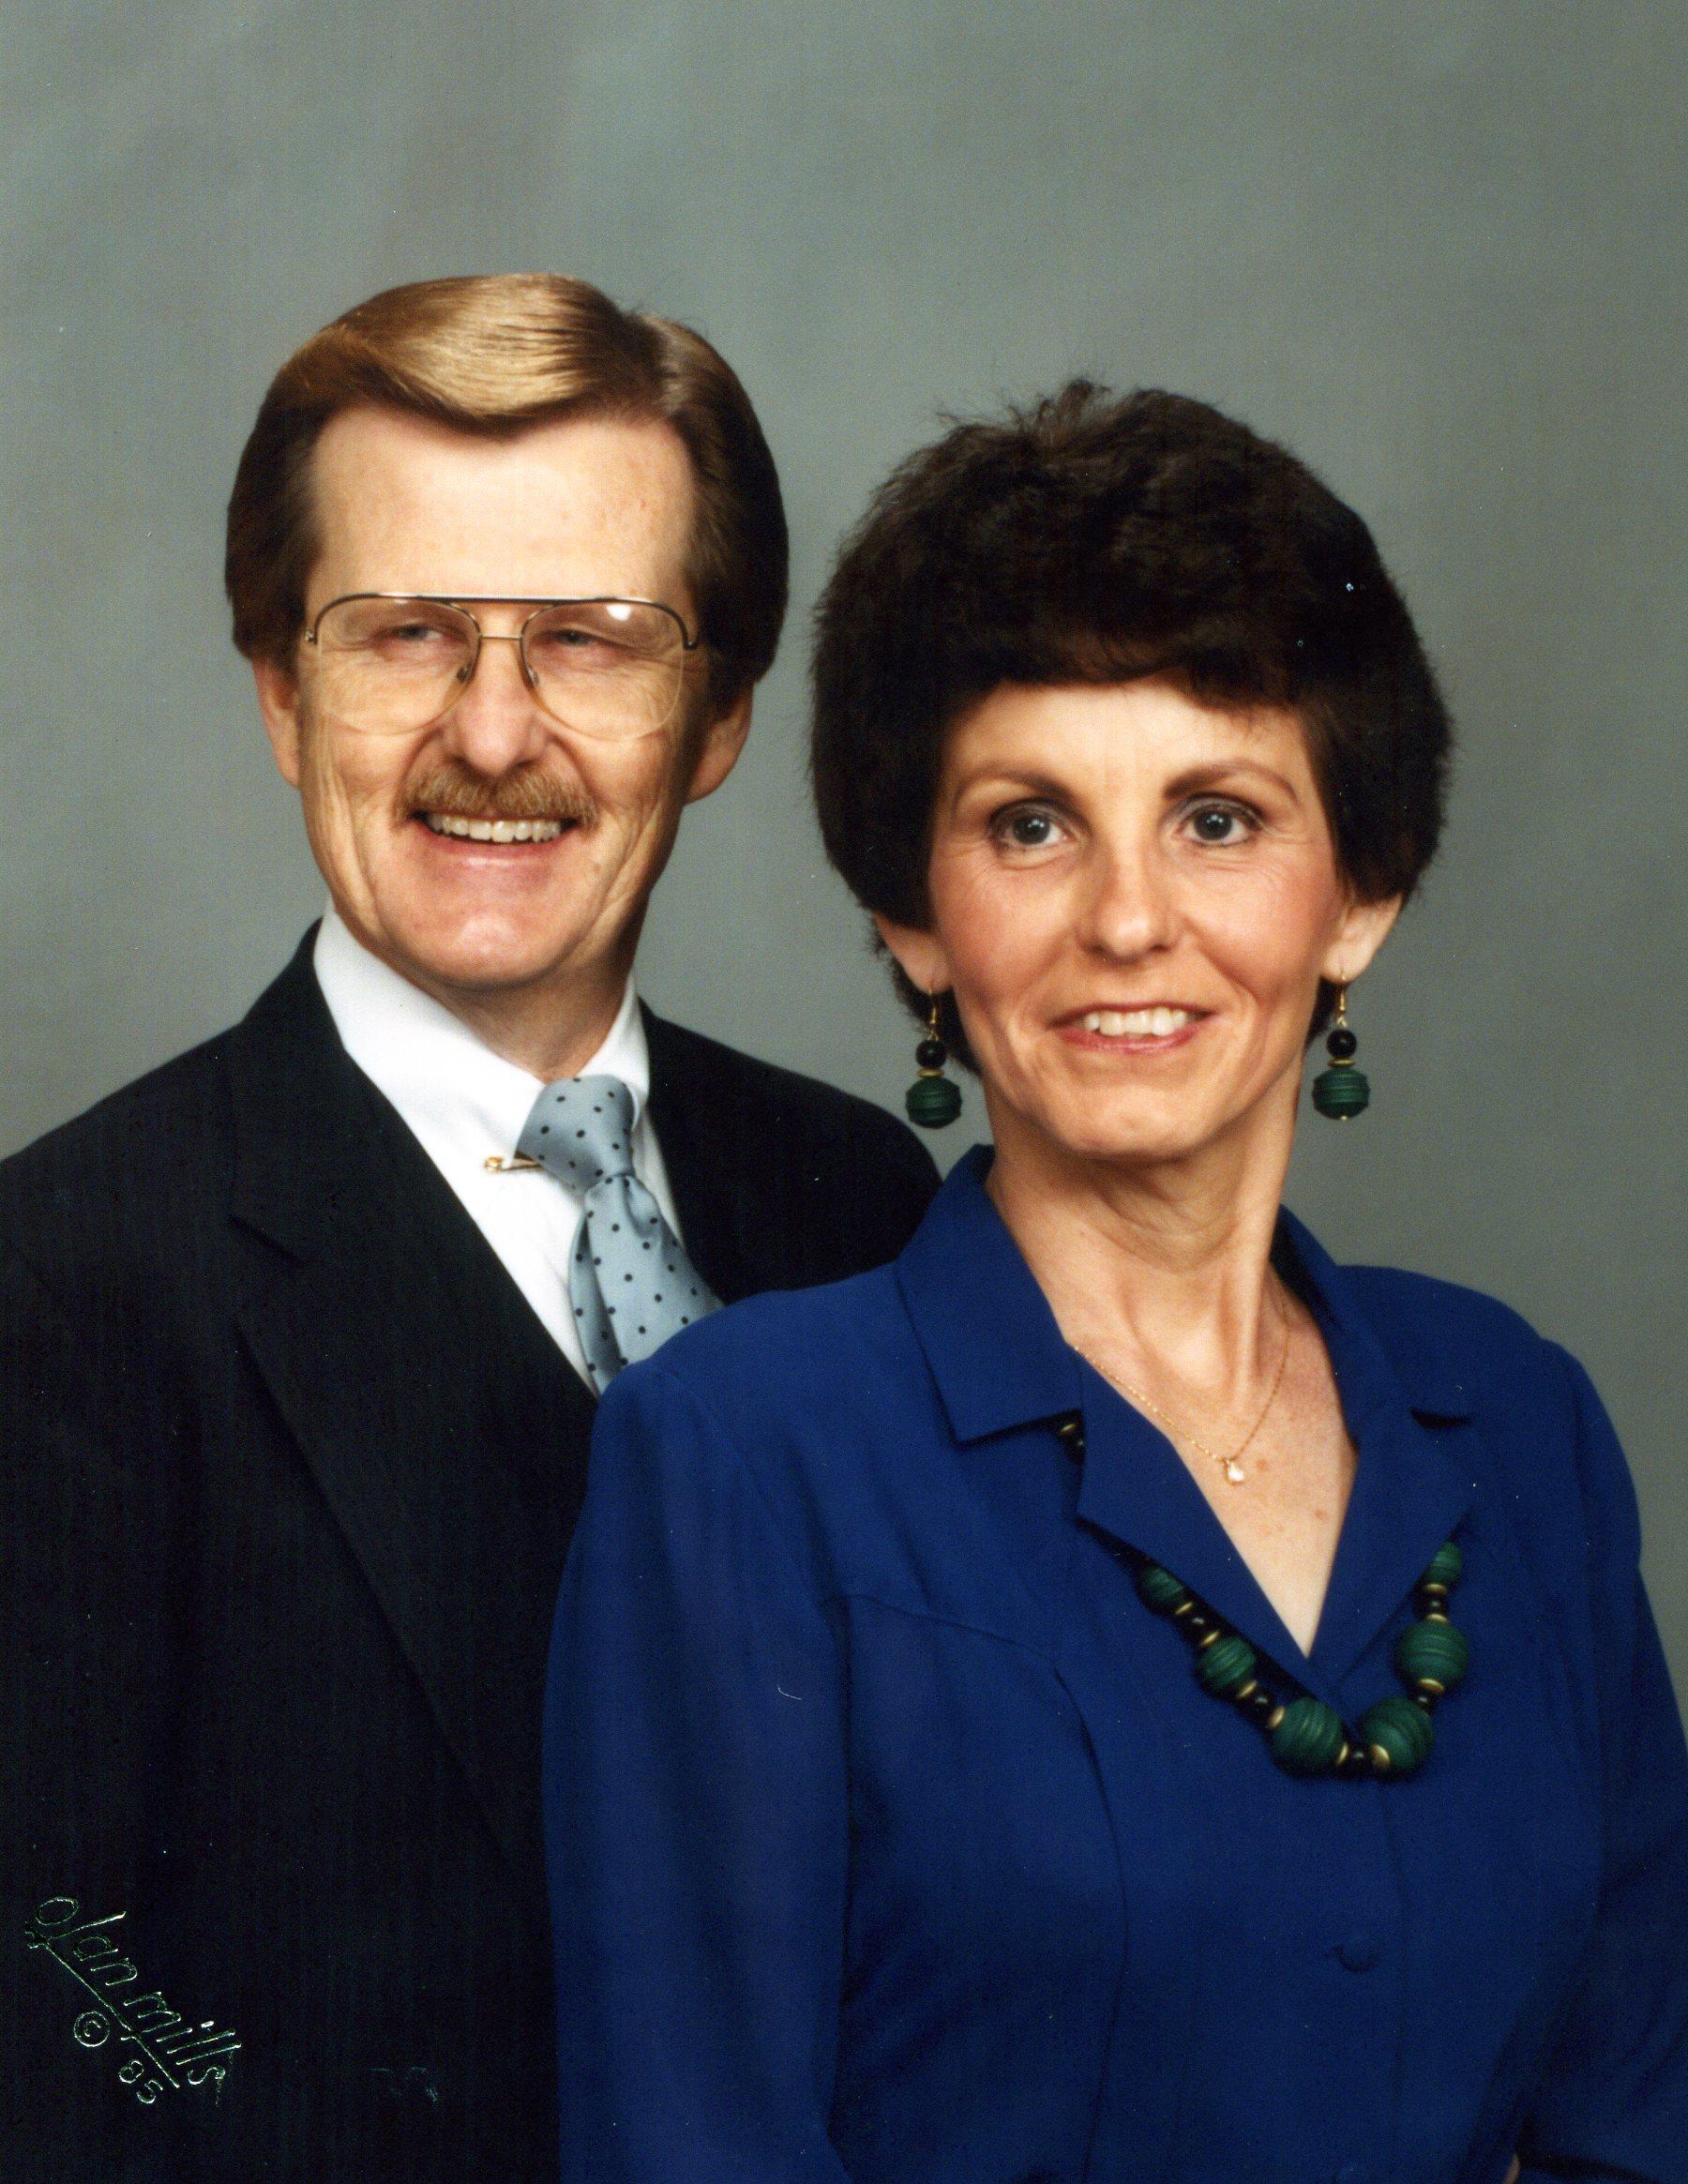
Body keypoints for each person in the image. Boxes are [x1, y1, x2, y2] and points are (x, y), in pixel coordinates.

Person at [545, 383, 1688, 2181]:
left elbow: (1642, 2120)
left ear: (1362, 894)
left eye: (1218, 819)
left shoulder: (1520, 1421)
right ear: (914, 913)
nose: (1129, 918)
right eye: (1031, 824)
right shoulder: (744, 1456)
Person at [0, 275, 937, 2184]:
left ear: (719, 715)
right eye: (405, 632)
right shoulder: (67, 1271)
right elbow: (52, 1978)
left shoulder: (860, 1201)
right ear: (283, 694)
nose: (493, 733)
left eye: (589, 639)